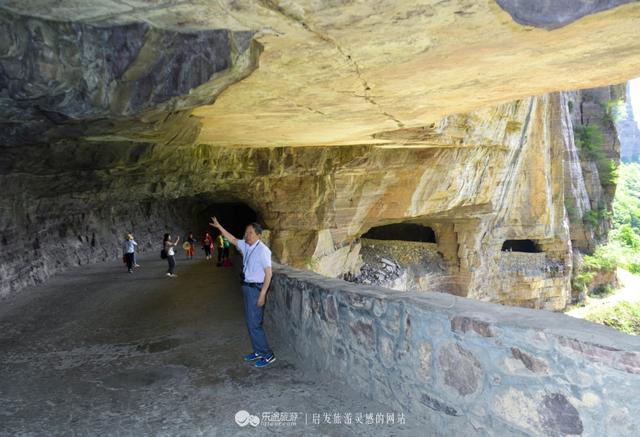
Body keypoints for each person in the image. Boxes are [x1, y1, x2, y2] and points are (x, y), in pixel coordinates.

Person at [210, 216, 275, 368]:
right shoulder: (247, 246)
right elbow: (232, 238)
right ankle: (258, 351)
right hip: (247, 287)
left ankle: (268, 354)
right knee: (251, 323)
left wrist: (263, 294)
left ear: (259, 235)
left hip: (256, 289)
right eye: (246, 232)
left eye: (250, 233)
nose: (247, 235)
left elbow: (269, 274)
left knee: (255, 324)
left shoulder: (263, 251)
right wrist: (219, 226)